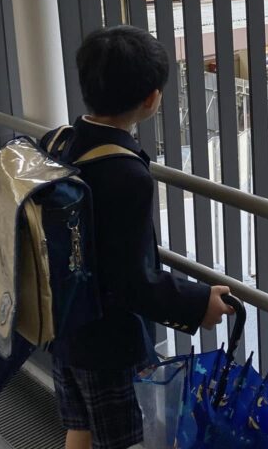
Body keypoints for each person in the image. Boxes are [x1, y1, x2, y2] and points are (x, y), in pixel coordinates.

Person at [51, 26, 234, 449]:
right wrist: (198, 303)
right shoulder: (125, 174)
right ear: (151, 99)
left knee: (80, 425)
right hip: (107, 343)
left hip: (62, 324)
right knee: (119, 439)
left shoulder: (59, 143)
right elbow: (133, 281)